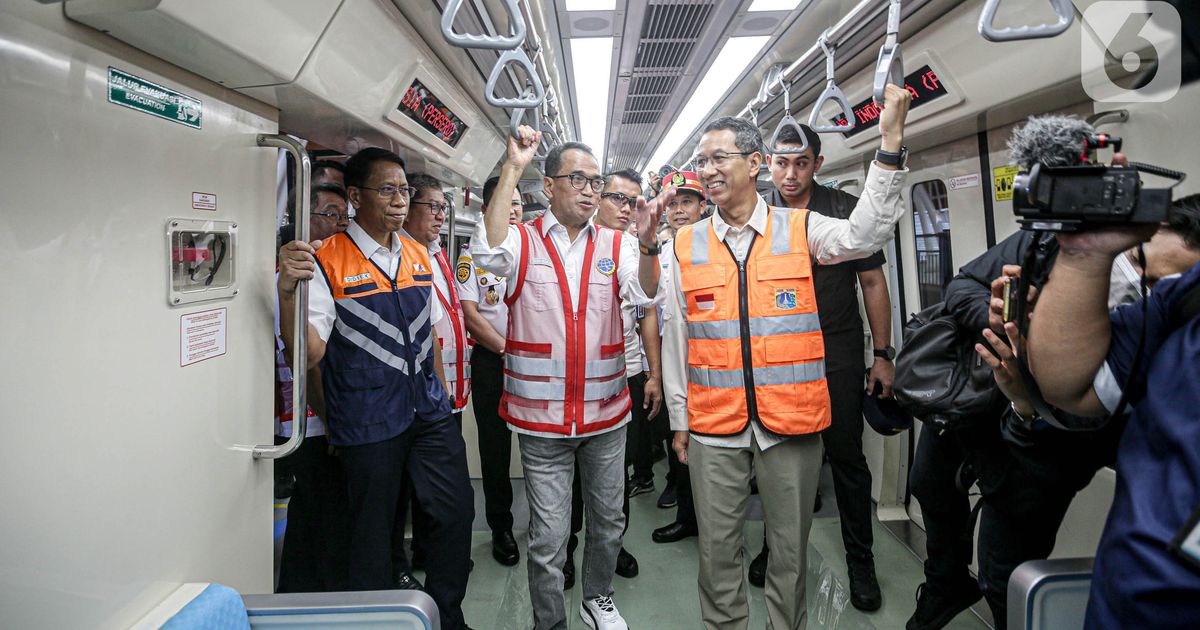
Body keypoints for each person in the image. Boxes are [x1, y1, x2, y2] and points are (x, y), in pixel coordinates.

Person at [663, 83, 910, 630]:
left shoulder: (801, 229)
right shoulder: (682, 245)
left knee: (790, 558)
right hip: (714, 425)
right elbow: (677, 341)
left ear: (754, 165)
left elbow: (865, 234)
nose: (706, 169)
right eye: (700, 160)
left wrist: (889, 144)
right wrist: (680, 418)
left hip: (791, 423)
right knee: (717, 557)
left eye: (717, 158)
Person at [472, 127, 668, 630]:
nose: (588, 190)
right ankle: (550, 621)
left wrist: (647, 246)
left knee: (609, 524)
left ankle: (596, 597)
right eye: (576, 179)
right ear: (548, 184)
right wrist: (512, 165)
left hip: (606, 414)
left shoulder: (618, 244)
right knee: (549, 537)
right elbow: (489, 255)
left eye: (594, 181)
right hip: (542, 421)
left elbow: (645, 296)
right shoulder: (520, 240)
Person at [277, 147, 474, 629]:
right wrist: (286, 292)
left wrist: (444, 402)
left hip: (427, 413)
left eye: (404, 190)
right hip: (367, 422)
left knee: (455, 515)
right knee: (369, 539)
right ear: (354, 197)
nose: (400, 200)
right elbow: (309, 353)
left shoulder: (419, 253)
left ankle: (446, 615)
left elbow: (427, 337)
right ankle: (376, 621)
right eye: (386, 190)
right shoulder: (327, 261)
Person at [1028, 193, 1200, 630]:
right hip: (1130, 601)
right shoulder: (1184, 300)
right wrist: (1085, 252)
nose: (1138, 279)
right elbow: (1068, 385)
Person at [744, 122, 895, 610]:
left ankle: (861, 562)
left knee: (847, 458)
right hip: (776, 354)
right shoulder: (756, 213)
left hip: (837, 349)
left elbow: (872, 282)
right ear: (767, 163)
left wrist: (882, 354)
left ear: (817, 164)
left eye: (801, 163)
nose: (790, 174)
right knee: (778, 457)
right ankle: (774, 547)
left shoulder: (843, 210)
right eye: (781, 162)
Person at [391, 173, 474, 588]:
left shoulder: (439, 253)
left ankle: (428, 549)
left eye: (445, 208)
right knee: (409, 488)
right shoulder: (403, 256)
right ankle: (403, 562)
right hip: (424, 395)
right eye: (434, 207)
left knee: (439, 494)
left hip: (450, 390)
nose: (441, 216)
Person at [274, 183, 350, 593]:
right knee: (320, 518)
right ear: (305, 220)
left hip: (322, 418)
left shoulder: (331, 268)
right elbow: (310, 362)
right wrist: (333, 420)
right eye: (330, 214)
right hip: (315, 422)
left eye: (343, 216)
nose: (340, 223)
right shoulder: (297, 277)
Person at [458, 175, 523, 567]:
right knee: (495, 450)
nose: (513, 210)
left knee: (542, 446)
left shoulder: (532, 249)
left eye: (517, 203)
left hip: (534, 365)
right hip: (492, 363)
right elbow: (471, 316)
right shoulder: (470, 256)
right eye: (505, 202)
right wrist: (507, 350)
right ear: (487, 209)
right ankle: (501, 527)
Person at [650, 170, 705, 544]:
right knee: (678, 439)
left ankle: (712, 525)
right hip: (674, 359)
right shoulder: (665, 250)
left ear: (703, 205)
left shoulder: (715, 246)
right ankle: (688, 517)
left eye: (687, 202)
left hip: (711, 362)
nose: (679, 210)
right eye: (672, 203)